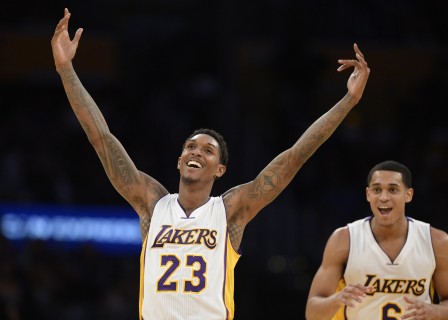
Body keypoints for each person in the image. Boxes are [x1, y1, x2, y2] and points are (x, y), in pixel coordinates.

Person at [51, 7, 370, 320]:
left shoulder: (230, 210)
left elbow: (295, 156)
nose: (196, 152)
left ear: (220, 170)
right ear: (178, 161)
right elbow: (102, 139)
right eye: (190, 147)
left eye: (207, 150)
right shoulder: (152, 203)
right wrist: (66, 69)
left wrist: (348, 101)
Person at [305, 160, 448, 320]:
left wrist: (436, 311)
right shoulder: (343, 240)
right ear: (368, 194)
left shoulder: (437, 241)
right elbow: (312, 313)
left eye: (393, 190)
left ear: (408, 195)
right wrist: (336, 300)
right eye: (377, 190)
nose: (383, 197)